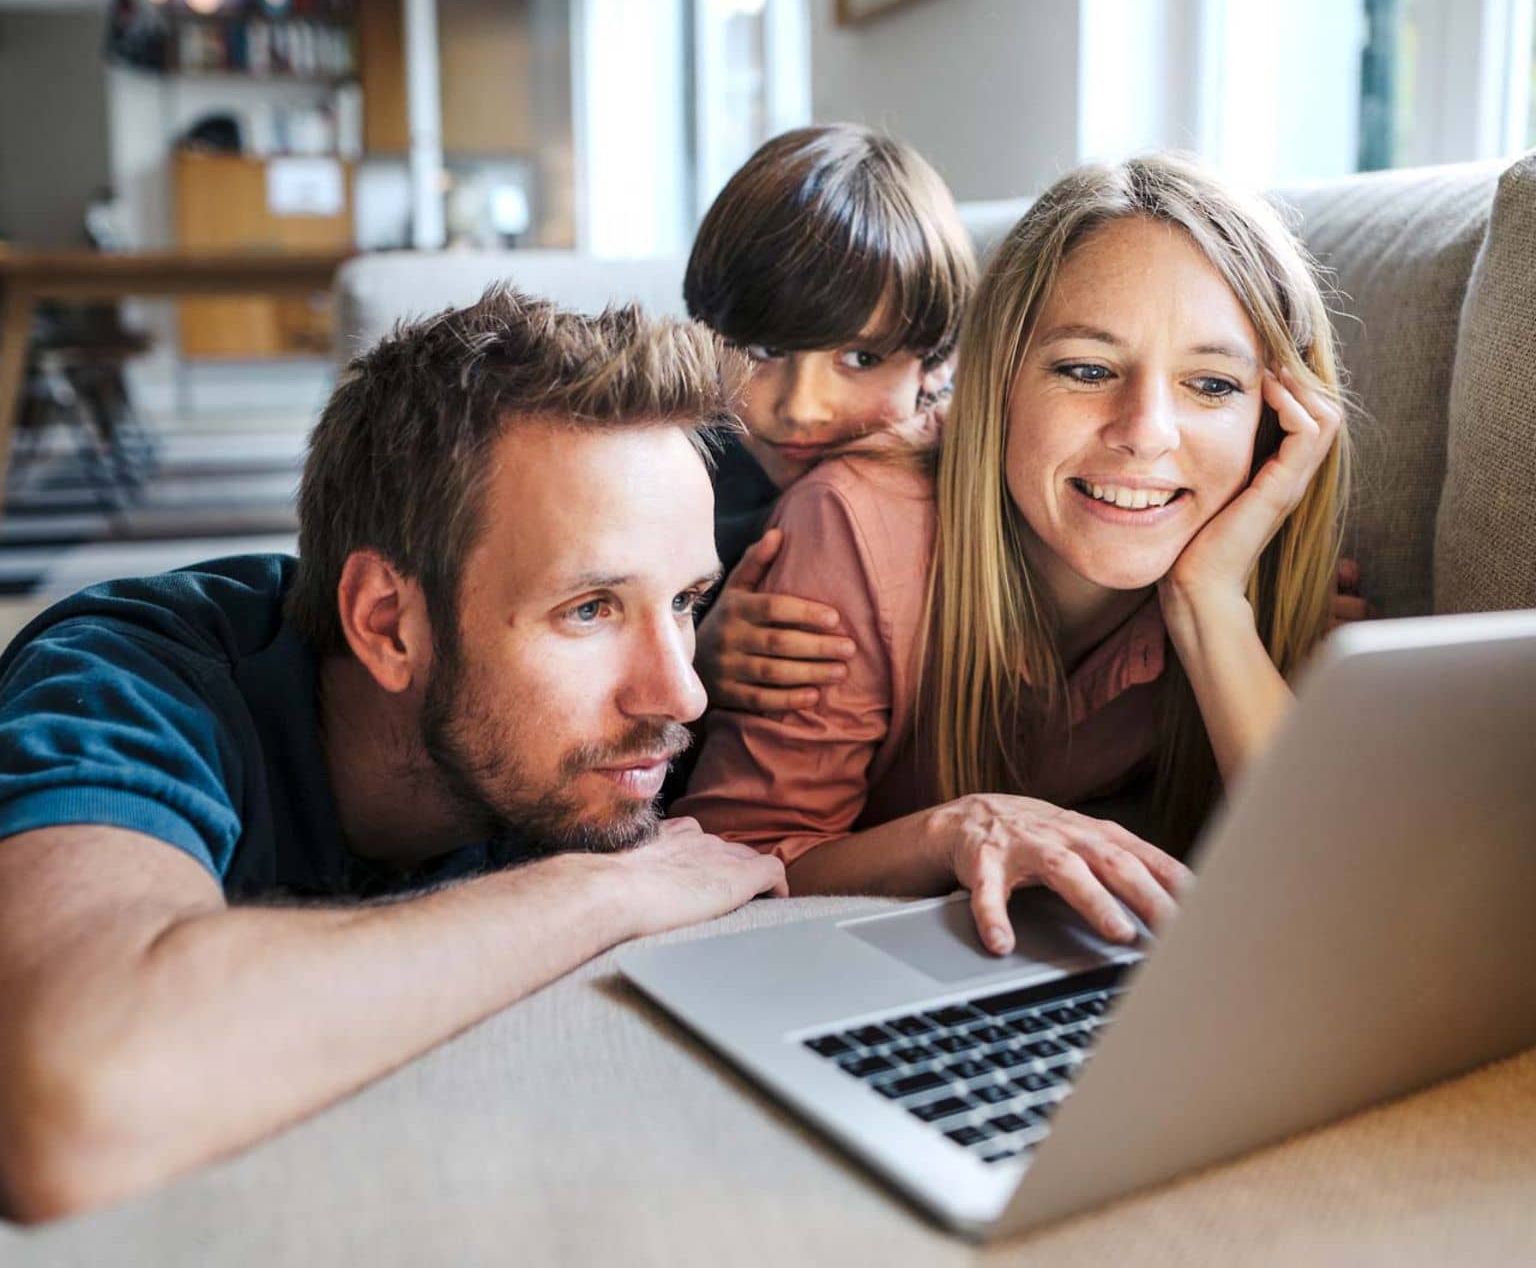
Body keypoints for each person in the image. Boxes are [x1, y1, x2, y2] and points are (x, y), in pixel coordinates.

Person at [0, 289, 785, 1223]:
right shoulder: (133, 677)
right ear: (387, 624)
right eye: (591, 610)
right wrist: (605, 890)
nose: (680, 695)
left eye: (686, 600)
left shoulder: (604, 733)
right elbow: (76, 1101)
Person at [677, 154, 1350, 955]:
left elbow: (1342, 905)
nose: (1146, 432)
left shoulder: (1250, 546)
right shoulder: (847, 520)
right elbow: (730, 871)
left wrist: (1211, 608)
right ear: (994, 380)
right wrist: (954, 830)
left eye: (1212, 386)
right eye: (1087, 370)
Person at [684, 124, 977, 717]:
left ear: (936, 365)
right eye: (764, 351)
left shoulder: (970, 496)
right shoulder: (672, 478)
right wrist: (691, 664)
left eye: (862, 359)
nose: (802, 406)